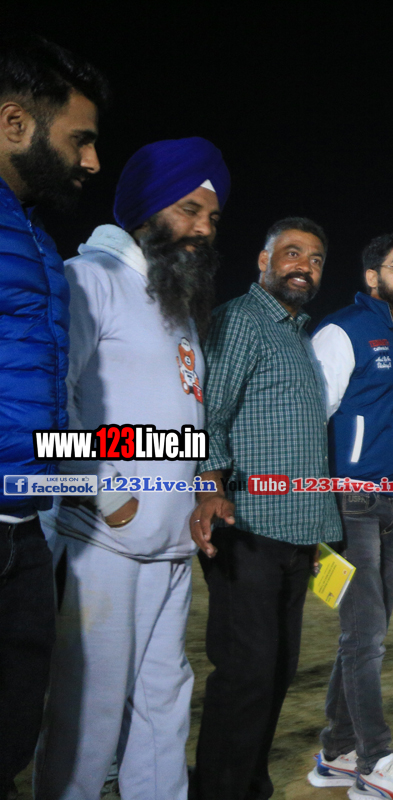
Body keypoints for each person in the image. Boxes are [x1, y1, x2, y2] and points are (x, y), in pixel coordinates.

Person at [33, 139, 226, 800]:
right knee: (86, 719)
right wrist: (106, 492)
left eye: (213, 216)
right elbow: (51, 400)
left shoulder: (178, 303)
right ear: (147, 207)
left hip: (170, 549)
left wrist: (197, 490)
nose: (204, 228)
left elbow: (181, 423)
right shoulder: (87, 280)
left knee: (163, 711)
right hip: (103, 546)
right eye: (189, 209)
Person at [189, 218, 343, 800]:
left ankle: (249, 785)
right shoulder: (241, 320)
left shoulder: (297, 335)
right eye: (292, 253)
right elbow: (209, 413)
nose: (304, 266)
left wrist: (322, 528)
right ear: (264, 260)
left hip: (296, 533)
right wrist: (210, 488)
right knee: (246, 674)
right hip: (248, 527)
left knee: (277, 670)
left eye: (316, 258)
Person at [0, 34, 108, 793]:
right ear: (15, 124)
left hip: (26, 528)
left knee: (13, 735)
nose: (92, 161)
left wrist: (173, 457)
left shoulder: (38, 241)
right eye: (81, 139)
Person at [308, 232, 393, 800]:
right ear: (371, 277)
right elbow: (313, 416)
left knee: (365, 634)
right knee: (366, 637)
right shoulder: (344, 330)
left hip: (392, 501)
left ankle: (337, 751)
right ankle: (375, 761)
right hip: (349, 501)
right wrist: (319, 505)